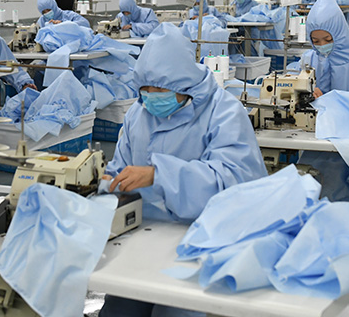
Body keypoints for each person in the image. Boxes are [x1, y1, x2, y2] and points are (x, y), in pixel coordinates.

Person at [100, 23, 265, 317]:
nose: (151, 96)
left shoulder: (224, 112)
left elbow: (235, 183)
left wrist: (159, 175)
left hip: (203, 241)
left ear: (185, 84)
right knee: (120, 308)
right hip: (143, 235)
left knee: (177, 310)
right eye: (145, 89)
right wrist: (104, 183)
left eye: (160, 89)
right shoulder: (139, 113)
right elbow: (120, 169)